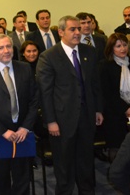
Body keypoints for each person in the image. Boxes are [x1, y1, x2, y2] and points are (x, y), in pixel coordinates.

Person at [36, 15, 103, 194]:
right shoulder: (48, 57)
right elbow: (45, 92)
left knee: (86, 161)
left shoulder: (89, 52)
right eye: (72, 29)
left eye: (78, 29)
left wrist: (98, 109)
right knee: (64, 163)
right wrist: (50, 120)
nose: (77, 33)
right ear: (61, 32)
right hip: (61, 120)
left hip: (87, 117)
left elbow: (95, 85)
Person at [0, 34, 38, 195]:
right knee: (0, 179)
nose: (6, 51)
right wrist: (3, 131)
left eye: (8, 46)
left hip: (22, 133)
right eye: (1, 47)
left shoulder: (24, 68)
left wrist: (25, 127)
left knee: (22, 177)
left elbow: (34, 101)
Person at [100, 33, 130, 162]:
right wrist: (126, 108)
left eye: (125, 45)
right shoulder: (105, 66)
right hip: (114, 113)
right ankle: (117, 177)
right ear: (111, 48)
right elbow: (107, 93)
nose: (123, 49)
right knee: (117, 146)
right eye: (118, 46)